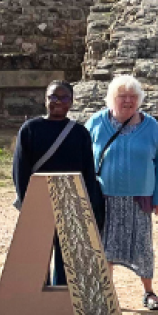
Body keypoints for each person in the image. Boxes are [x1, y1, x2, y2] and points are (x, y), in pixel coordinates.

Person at [87, 75, 158, 310]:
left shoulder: (151, 127)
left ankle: (149, 292)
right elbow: (83, 158)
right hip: (103, 198)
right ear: (111, 99)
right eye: (122, 96)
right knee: (104, 249)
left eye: (133, 97)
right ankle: (106, 295)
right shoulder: (95, 123)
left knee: (142, 248)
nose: (127, 101)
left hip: (138, 198)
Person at [10, 81, 103, 288]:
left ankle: (63, 307)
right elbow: (20, 170)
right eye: (53, 97)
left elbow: (88, 171)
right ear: (45, 99)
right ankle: (37, 309)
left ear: (71, 102)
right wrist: (28, 203)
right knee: (37, 259)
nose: (58, 102)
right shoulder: (30, 129)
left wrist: (87, 204)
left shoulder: (79, 133)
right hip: (39, 202)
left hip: (71, 203)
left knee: (68, 261)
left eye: (64, 98)